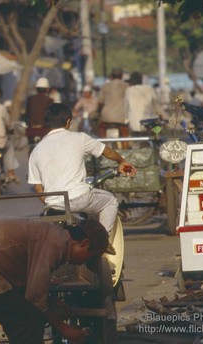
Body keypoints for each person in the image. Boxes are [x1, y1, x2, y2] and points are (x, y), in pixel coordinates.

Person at [28, 103, 137, 234]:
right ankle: (103, 240)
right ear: (68, 121)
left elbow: (38, 188)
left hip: (54, 205)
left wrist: (52, 203)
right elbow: (106, 151)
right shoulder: (79, 138)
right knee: (110, 201)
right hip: (79, 197)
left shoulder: (36, 150)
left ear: (47, 123)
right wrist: (122, 161)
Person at [124, 72, 164, 138]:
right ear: (141, 80)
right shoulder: (149, 88)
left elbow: (126, 108)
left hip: (135, 125)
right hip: (150, 124)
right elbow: (157, 106)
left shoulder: (129, 90)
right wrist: (161, 116)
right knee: (157, 133)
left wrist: (126, 121)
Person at [97, 68, 129, 144]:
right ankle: (126, 148)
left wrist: (98, 111)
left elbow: (100, 102)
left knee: (102, 132)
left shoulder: (105, 86)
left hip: (107, 116)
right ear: (121, 76)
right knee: (125, 135)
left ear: (111, 76)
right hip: (122, 116)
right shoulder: (126, 86)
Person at [24, 77, 53, 148]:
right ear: (47, 89)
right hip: (44, 130)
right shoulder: (49, 100)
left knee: (31, 147)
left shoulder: (30, 99)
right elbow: (51, 116)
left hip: (31, 130)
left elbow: (27, 113)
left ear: (36, 88)